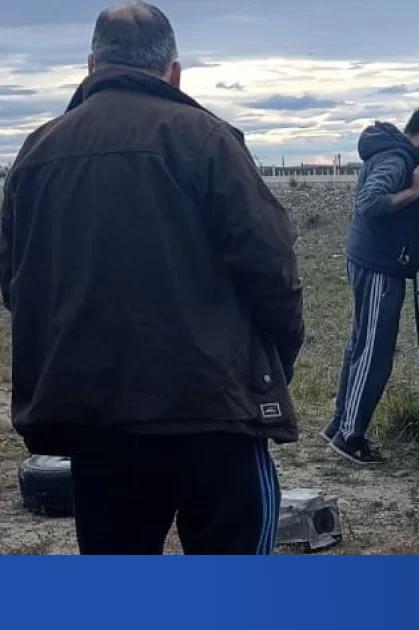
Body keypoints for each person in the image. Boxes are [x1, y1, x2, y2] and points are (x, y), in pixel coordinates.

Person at [0, 2, 305, 555]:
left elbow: (14, 282)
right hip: (211, 412)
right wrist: (272, 365)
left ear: (91, 66)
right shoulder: (206, 139)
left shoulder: (35, 153)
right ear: (174, 72)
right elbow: (273, 268)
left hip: (97, 418)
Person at [322, 110, 419, 464]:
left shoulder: (393, 153)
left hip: (369, 258)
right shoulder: (398, 159)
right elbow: (370, 202)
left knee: (361, 344)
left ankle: (340, 423)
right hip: (379, 264)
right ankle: (350, 436)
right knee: (375, 351)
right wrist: (414, 190)